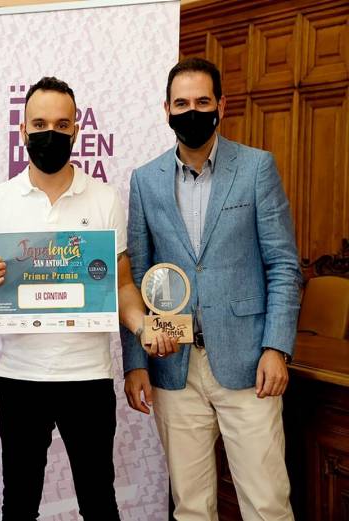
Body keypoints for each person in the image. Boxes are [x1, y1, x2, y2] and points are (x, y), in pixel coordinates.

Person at [0, 76, 173, 521]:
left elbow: (123, 283)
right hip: (19, 378)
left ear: (75, 130)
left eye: (60, 123)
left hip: (87, 378)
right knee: (19, 502)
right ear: (22, 132)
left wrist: (142, 324)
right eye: (39, 123)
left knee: (98, 501)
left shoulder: (105, 199)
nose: (49, 132)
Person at [122, 57, 302, 520]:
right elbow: (136, 275)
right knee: (191, 507)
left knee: (267, 504)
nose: (192, 111)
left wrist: (276, 347)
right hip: (174, 365)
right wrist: (135, 362)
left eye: (203, 101)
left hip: (249, 366)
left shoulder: (257, 168)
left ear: (222, 104)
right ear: (166, 109)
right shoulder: (145, 181)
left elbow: (283, 264)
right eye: (181, 103)